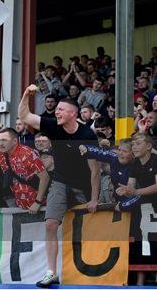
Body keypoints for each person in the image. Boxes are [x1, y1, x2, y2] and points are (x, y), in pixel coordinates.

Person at [18, 85, 100, 288]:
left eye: (61, 110)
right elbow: (25, 116)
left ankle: (94, 268)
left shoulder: (88, 136)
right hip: (61, 181)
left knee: (91, 227)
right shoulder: (53, 126)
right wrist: (26, 95)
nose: (57, 112)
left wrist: (95, 198)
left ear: (73, 113)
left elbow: (95, 170)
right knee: (50, 224)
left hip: (84, 186)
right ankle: (51, 272)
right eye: (56, 111)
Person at [116, 133, 157, 286]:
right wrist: (125, 190)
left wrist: (136, 192)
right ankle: (140, 284)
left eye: (138, 143)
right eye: (133, 144)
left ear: (149, 146)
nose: (134, 146)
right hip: (145, 209)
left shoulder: (155, 160)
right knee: (142, 244)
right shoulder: (134, 164)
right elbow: (131, 187)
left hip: (153, 207)